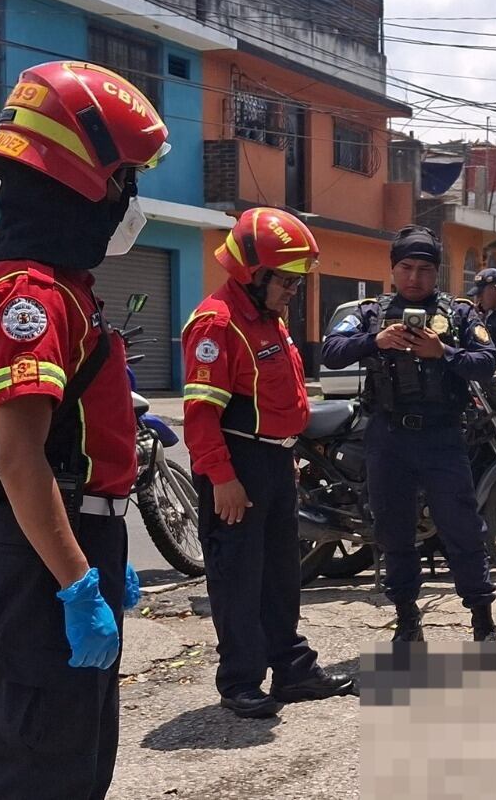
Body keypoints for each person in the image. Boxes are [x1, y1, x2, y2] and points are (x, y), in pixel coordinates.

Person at [0, 61, 167, 799]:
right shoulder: (33, 297)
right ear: (81, 183)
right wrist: (78, 580)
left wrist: (99, 555)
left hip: (74, 540)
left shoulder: (65, 290)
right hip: (47, 554)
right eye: (124, 182)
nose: (127, 202)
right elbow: (20, 460)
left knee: (78, 754)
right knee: (41, 763)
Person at [181, 207, 356, 719]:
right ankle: (239, 680)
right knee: (238, 577)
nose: (294, 290)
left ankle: (292, 669)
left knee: (281, 572)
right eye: (287, 279)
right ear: (254, 273)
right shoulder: (218, 324)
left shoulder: (267, 320)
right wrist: (223, 479)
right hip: (237, 466)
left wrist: (288, 457)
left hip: (274, 464)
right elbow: (200, 416)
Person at [321, 226, 496, 642]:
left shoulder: (458, 314)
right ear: (393, 270)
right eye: (406, 267)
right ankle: (406, 619)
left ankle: (483, 620)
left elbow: (486, 361)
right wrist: (375, 340)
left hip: (442, 436)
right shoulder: (370, 312)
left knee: (462, 530)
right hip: (389, 437)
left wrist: (444, 352)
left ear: (436, 273)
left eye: (424, 269)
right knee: (393, 531)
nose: (414, 277)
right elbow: (331, 352)